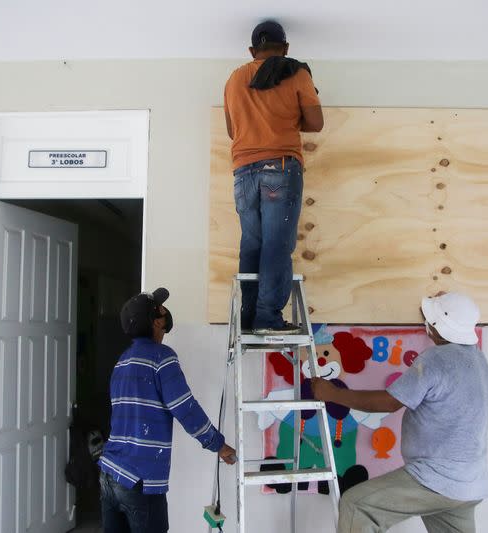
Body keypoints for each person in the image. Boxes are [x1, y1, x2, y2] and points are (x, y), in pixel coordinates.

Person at [311, 292, 488, 533]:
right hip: (469, 484)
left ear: (439, 326)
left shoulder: (437, 359)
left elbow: (389, 402)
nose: (425, 321)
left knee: (357, 506)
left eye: (430, 317)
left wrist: (333, 394)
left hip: (436, 478)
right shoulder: (479, 361)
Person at [98, 287, 236, 533]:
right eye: (161, 309)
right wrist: (219, 445)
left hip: (109, 474)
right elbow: (186, 409)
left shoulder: (122, 361)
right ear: (156, 321)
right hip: (139, 480)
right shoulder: (162, 357)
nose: (165, 312)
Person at [224, 19, 324, 334]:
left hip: (243, 172)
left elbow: (232, 131)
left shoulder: (233, 79)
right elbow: (316, 122)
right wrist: (288, 122)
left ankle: (250, 316)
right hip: (280, 167)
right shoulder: (296, 73)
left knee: (251, 244)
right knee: (277, 245)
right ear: (286, 48)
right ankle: (267, 318)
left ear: (252, 50)